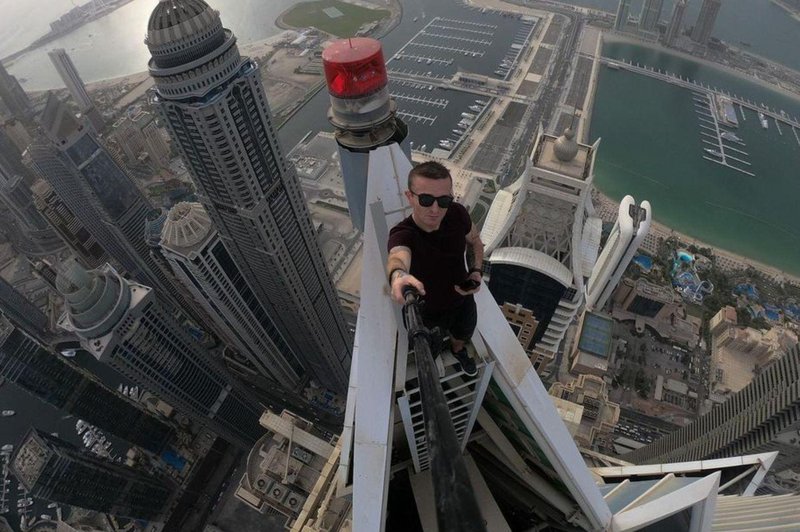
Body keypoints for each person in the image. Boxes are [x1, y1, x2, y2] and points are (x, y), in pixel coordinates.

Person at [386, 161, 484, 377]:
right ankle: (435, 355)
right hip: (425, 311)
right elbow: (398, 256)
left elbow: (475, 242)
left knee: (463, 335)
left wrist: (476, 271)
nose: (435, 209)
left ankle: (458, 351)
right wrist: (398, 276)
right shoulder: (404, 233)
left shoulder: (457, 214)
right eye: (426, 199)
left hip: (461, 299)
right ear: (410, 197)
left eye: (444, 200)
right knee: (429, 347)